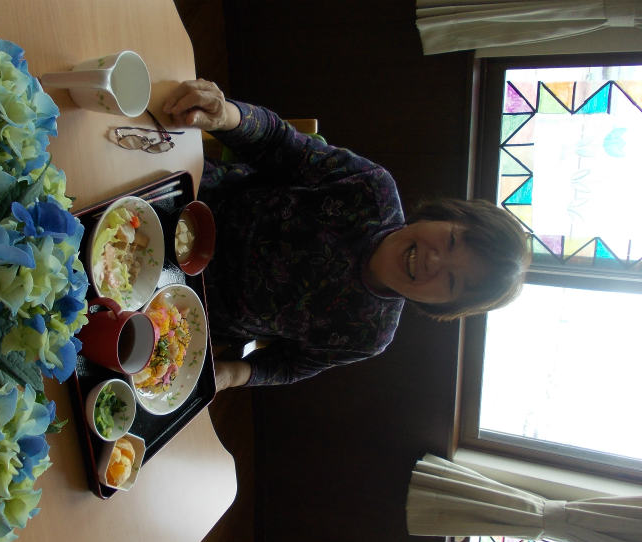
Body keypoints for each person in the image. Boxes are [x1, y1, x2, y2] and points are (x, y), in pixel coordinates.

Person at [162, 80, 529, 391]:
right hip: (184, 202)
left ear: (440, 306)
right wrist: (226, 115)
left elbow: (288, 365)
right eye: (450, 241)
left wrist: (229, 375)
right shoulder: (371, 189)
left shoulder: (369, 334)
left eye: (451, 281)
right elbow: (279, 144)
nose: (434, 260)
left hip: (181, 307)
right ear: (442, 217)